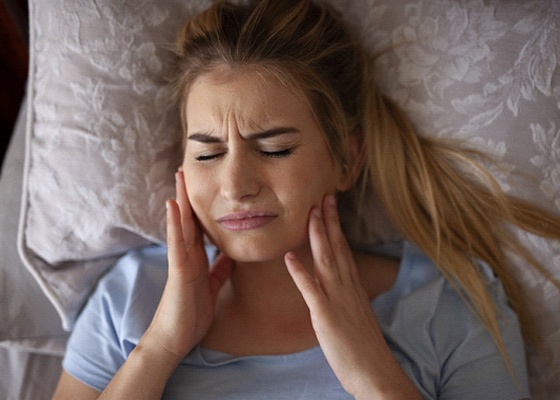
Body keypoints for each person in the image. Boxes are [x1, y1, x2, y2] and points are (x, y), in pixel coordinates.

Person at [52, 0, 560, 398]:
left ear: (347, 159)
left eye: (275, 149)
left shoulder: (451, 308)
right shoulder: (129, 299)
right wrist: (159, 348)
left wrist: (375, 377)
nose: (235, 186)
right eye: (207, 155)